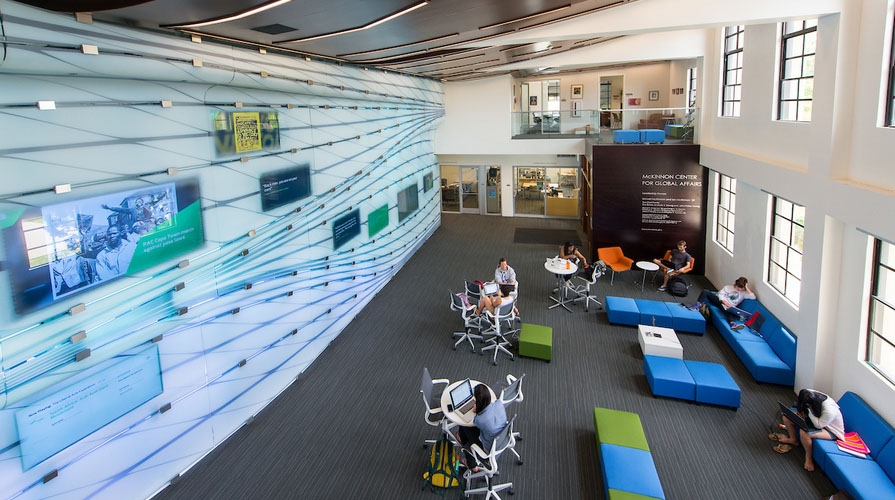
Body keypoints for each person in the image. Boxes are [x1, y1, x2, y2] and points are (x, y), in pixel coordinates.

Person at [770, 389, 845, 471]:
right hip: (817, 420)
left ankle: (808, 459)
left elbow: (819, 425)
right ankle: (793, 439)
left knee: (805, 433)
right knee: (787, 417)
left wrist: (809, 411)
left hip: (831, 430)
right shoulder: (809, 393)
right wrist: (801, 411)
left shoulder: (830, 410)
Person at [456, 383, 508, 472]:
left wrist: (476, 409)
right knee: (468, 429)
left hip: (488, 449)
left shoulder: (480, 419)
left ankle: (471, 464)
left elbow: (475, 422)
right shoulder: (499, 404)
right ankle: (461, 437)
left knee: (464, 426)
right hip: (502, 440)